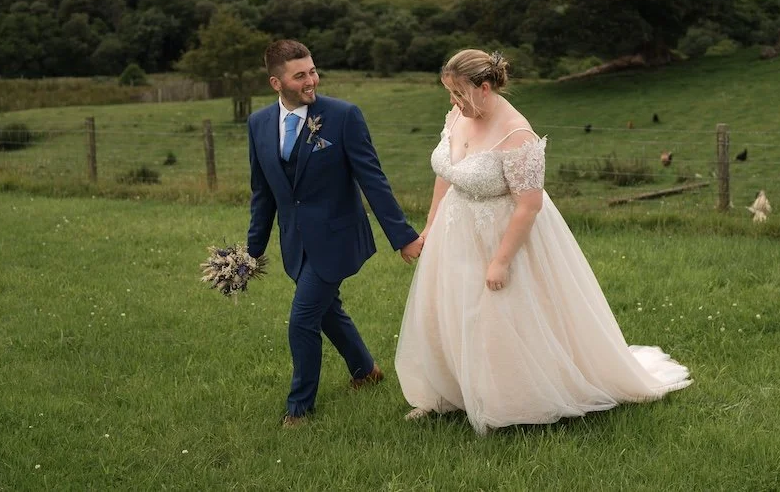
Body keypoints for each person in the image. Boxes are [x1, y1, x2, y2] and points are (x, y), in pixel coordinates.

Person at [395, 49, 692, 435]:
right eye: (449, 94)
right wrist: (431, 226)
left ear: (484, 88)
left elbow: (529, 205)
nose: (453, 103)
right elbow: (446, 171)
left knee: (495, 316)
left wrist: (501, 260)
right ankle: (449, 391)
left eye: (459, 94)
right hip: (456, 230)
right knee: (450, 308)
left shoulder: (518, 135)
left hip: (503, 235)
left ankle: (508, 398)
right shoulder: (458, 115)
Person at [246, 39, 425, 426]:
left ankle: (299, 410)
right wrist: (250, 253)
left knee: (303, 319)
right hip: (296, 241)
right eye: (300, 75)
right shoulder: (258, 123)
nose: (311, 80)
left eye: (312, 70)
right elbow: (263, 194)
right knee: (328, 311)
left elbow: (372, 180)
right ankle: (365, 370)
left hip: (338, 237)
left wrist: (404, 236)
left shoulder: (343, 116)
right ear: (276, 83)